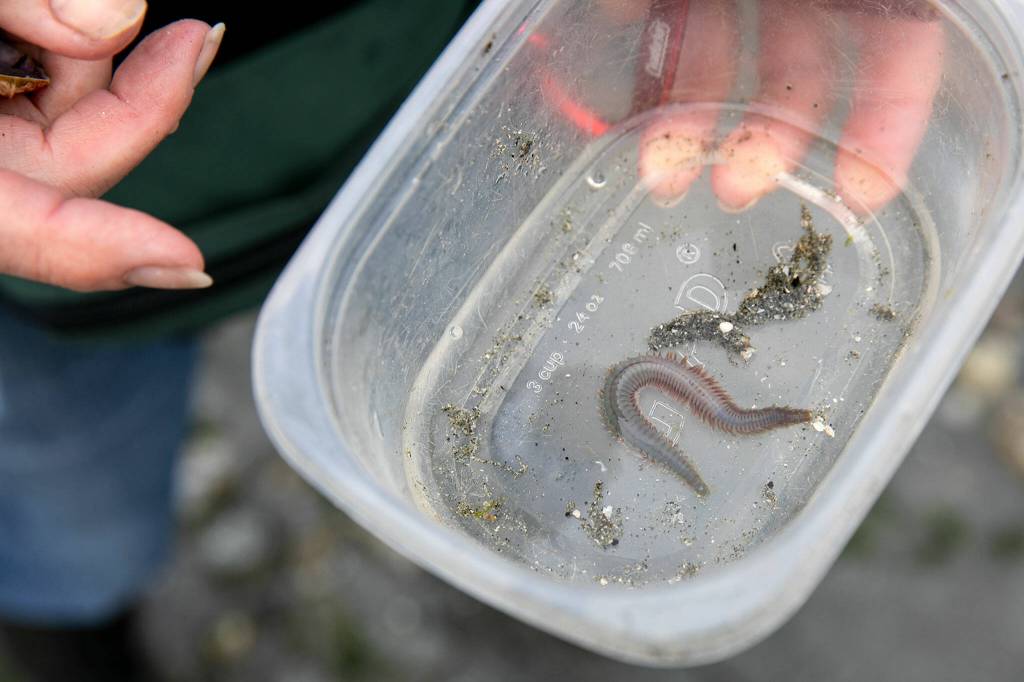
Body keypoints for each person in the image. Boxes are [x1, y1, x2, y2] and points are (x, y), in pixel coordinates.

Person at [0, 1, 943, 679]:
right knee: (86, 531)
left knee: (472, 373)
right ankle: (79, 627)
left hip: (447, 119)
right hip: (49, 268)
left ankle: (531, 569)